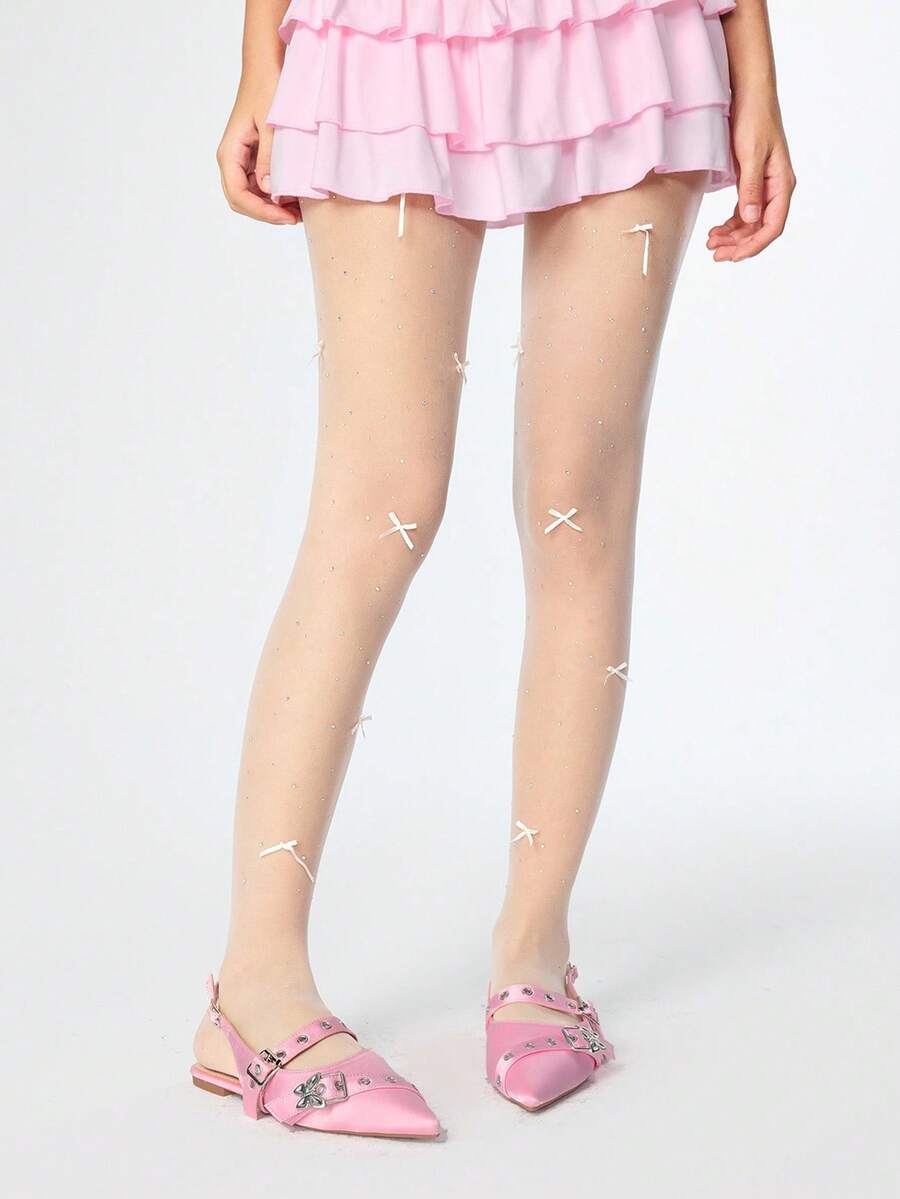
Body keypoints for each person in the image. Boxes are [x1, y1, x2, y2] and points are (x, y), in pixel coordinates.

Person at [191, 0, 795, 1137]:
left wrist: (754, 57)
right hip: (394, 32)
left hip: (632, 27)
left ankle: (536, 954)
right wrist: (258, 52)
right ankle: (254, 984)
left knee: (581, 504)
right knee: (379, 504)